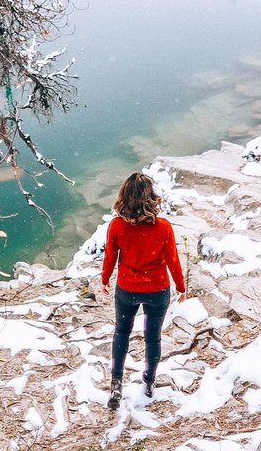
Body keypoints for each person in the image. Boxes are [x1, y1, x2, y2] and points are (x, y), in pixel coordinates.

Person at [101, 171, 186, 411]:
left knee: (122, 333)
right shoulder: (163, 227)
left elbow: (110, 256)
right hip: (157, 290)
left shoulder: (117, 225)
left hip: (127, 288)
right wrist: (180, 286)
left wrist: (105, 279)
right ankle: (148, 381)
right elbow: (172, 260)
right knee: (152, 336)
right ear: (151, 198)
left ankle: (116, 384)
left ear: (124, 198)